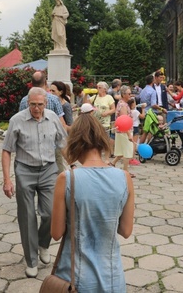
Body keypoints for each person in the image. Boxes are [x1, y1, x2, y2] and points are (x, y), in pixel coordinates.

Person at [50, 113, 134, 292]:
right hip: (112, 277)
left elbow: (56, 233)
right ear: (101, 140)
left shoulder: (67, 179)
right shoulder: (124, 177)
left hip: (75, 278)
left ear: (74, 142)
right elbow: (126, 231)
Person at [2, 87, 67, 278]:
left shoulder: (53, 117)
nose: (36, 109)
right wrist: (7, 179)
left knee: (50, 213)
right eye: (33, 105)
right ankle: (31, 260)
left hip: (48, 170)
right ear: (27, 103)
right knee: (27, 216)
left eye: (40, 105)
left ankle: (42, 243)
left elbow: (63, 144)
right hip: (24, 170)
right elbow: (6, 150)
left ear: (46, 103)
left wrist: (74, 165)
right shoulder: (17, 120)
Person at [111, 88, 135, 177]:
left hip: (121, 131)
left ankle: (113, 163)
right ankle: (125, 171)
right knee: (128, 151)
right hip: (124, 131)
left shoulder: (121, 103)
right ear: (124, 94)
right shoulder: (123, 105)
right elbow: (124, 121)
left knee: (122, 151)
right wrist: (129, 134)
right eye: (129, 93)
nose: (130, 95)